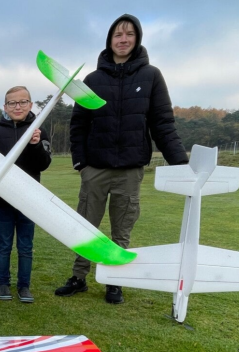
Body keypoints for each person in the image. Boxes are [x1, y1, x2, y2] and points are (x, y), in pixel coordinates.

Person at [54, 14, 189, 304]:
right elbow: (78, 124)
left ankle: (114, 280)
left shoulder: (151, 76)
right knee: (85, 226)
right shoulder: (93, 79)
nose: (123, 39)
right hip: (95, 168)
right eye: (118, 34)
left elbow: (163, 124)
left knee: (122, 229)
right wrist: (81, 163)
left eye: (129, 34)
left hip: (130, 169)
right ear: (110, 40)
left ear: (137, 39)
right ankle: (78, 277)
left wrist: (180, 163)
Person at [0, 86, 51, 303]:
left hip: (28, 201)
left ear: (30, 105)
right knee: (4, 245)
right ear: (5, 107)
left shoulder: (39, 131)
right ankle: (3, 283)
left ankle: (24, 286)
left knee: (25, 247)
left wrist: (35, 145)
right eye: (12, 103)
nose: (18, 107)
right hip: (3, 201)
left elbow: (43, 164)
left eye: (23, 102)